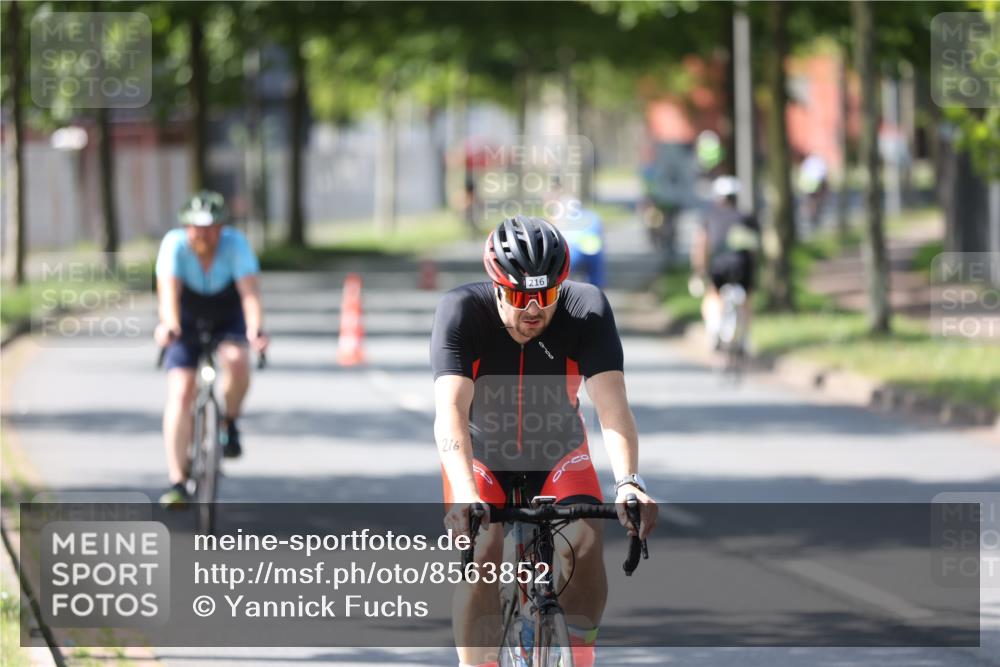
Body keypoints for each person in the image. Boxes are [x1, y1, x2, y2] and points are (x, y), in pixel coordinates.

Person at [430, 216, 658, 667]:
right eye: (519, 297)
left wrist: (629, 481)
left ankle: (579, 652)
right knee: (484, 547)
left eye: (546, 295)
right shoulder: (460, 312)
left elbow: (612, 404)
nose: (533, 309)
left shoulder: (586, 310)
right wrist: (467, 495)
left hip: (558, 451)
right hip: (481, 458)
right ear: (496, 287)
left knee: (588, 537)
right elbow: (450, 412)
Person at [154, 191, 269, 508]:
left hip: (225, 311)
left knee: (237, 360)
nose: (201, 234)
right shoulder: (174, 245)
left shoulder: (235, 245)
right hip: (187, 315)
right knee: (181, 390)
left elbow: (249, 293)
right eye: (195, 227)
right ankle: (177, 479)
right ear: (185, 227)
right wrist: (169, 325)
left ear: (221, 228)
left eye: (209, 228)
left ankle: (229, 422)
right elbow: (168, 292)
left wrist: (255, 328)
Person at [690, 176, 759, 352]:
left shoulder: (709, 217)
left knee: (713, 294)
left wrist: (698, 272)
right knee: (747, 299)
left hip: (719, 265)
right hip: (742, 265)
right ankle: (745, 337)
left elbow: (701, 245)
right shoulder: (747, 217)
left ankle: (713, 330)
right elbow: (754, 248)